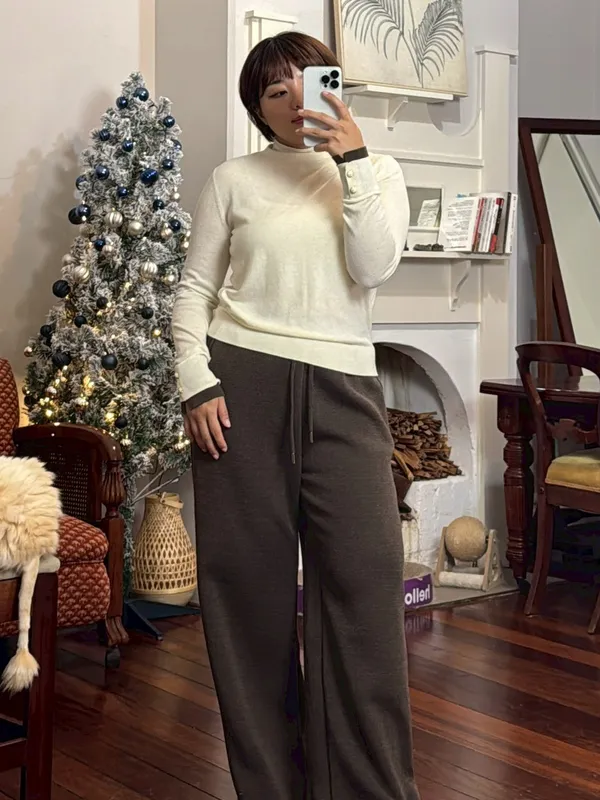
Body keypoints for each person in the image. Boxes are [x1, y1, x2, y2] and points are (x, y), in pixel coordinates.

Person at [172, 30, 420, 800]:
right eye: (273, 91)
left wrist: (352, 160)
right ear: (258, 109)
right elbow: (194, 293)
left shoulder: (377, 171)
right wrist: (196, 383)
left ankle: (372, 788)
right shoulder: (233, 179)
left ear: (332, 87)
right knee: (248, 598)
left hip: (345, 391)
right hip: (239, 388)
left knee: (366, 591)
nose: (292, 100)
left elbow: (372, 266)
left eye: (307, 82)